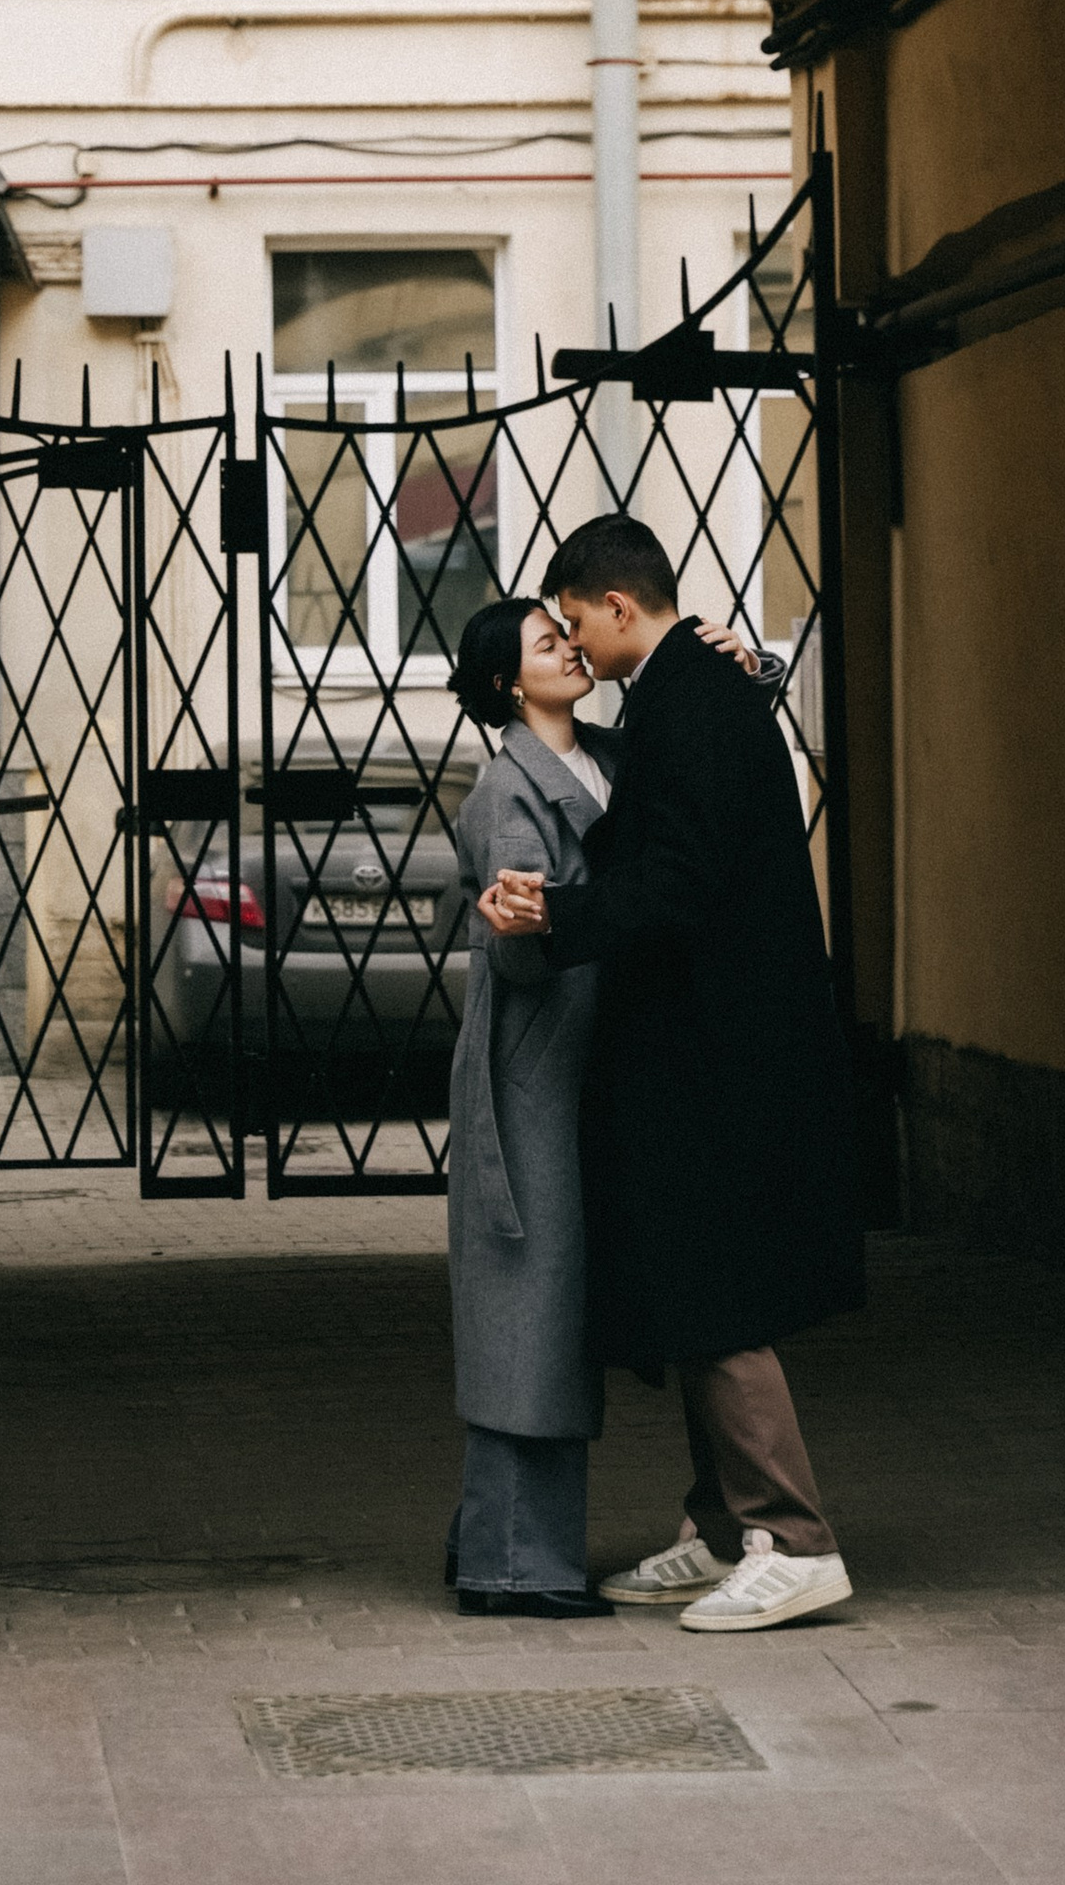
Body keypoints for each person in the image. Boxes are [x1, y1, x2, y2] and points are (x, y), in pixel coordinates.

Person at [479, 511, 863, 1633]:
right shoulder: (691, 685)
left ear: (613, 604)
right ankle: (719, 1524)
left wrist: (558, 911)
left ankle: (792, 1537)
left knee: (719, 1287)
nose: (571, 645)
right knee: (695, 1285)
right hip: (705, 1044)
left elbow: (679, 884)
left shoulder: (690, 697)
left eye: (571, 621)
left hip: (719, 1047)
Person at [442, 598, 623, 1618]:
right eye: (546, 643)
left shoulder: (599, 753)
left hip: (575, 1068)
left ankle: (492, 1538)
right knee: (530, 1312)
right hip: (532, 1079)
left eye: (567, 630)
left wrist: (746, 670)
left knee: (545, 1310)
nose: (568, 645)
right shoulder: (510, 793)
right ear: (512, 684)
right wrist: (522, 920)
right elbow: (515, 948)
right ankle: (515, 1565)